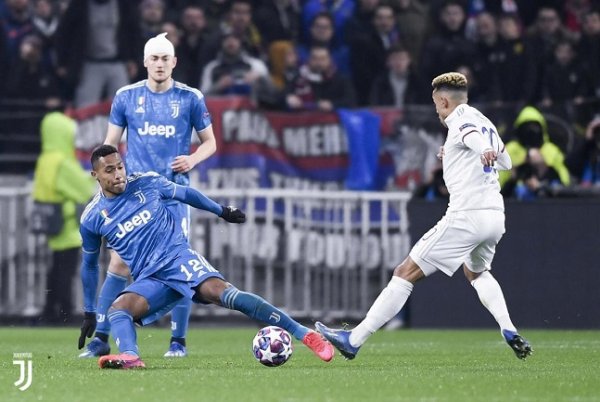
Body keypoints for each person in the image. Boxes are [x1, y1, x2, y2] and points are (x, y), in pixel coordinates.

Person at [315, 72, 533, 360]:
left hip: (466, 216)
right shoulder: (484, 119)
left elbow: (473, 137)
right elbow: (505, 161)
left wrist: (482, 150)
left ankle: (353, 339)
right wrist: (464, 152)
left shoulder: (462, 120)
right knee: (477, 272)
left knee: (404, 273)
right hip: (494, 216)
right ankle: (508, 328)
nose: (437, 112)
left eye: (436, 105)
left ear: (443, 101)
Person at [79, 145, 334, 369]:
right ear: (95, 175)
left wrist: (221, 210)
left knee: (226, 294)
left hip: (178, 260)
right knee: (118, 310)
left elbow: (186, 194)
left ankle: (305, 334)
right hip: (150, 279)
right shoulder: (91, 218)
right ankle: (131, 357)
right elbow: (89, 265)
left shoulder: (146, 182)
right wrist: (90, 311)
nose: (118, 174)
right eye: (109, 170)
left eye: (120, 167)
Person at [78, 32, 217, 359]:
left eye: (165, 58)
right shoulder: (126, 97)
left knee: (181, 264)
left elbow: (210, 142)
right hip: (135, 195)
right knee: (118, 262)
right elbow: (108, 146)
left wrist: (193, 158)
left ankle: (177, 342)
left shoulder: (190, 97)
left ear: (174, 62)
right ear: (144, 62)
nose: (159, 63)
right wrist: (105, 180)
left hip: (173, 195)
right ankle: (101, 336)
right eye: (153, 58)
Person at [32, 111, 97, 323]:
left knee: (55, 268)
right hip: (68, 223)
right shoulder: (62, 162)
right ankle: (64, 312)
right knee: (65, 270)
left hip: (52, 220)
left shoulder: (45, 159)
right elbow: (83, 188)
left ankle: (50, 309)